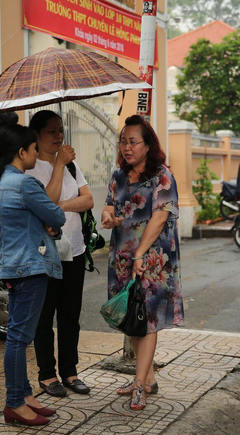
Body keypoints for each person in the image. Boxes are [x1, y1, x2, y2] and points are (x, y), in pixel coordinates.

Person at [101, 115, 184, 411]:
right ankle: (147, 378)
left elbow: (159, 217)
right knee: (131, 317)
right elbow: (110, 210)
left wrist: (140, 255)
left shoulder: (162, 176)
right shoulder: (118, 175)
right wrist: (110, 219)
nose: (126, 147)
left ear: (148, 145)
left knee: (147, 322)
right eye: (123, 141)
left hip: (152, 259)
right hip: (123, 257)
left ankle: (139, 387)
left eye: (133, 141)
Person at [0, 123, 66, 426]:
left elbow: (33, 219)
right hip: (30, 266)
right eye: (33, 148)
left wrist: (46, 222)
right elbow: (56, 214)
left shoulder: (3, 182)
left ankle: (24, 394)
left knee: (19, 336)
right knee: (19, 338)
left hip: (15, 265)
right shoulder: (25, 183)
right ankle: (14, 403)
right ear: (22, 152)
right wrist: (51, 221)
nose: (36, 151)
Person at [26, 110, 94, 398]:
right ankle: (46, 374)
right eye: (52, 131)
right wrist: (59, 169)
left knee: (70, 315)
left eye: (61, 129)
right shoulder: (31, 169)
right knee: (45, 317)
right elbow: (46, 201)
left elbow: (88, 199)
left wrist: (61, 207)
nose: (59, 136)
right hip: (47, 253)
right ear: (37, 136)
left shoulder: (72, 166)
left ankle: (70, 371)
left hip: (75, 250)